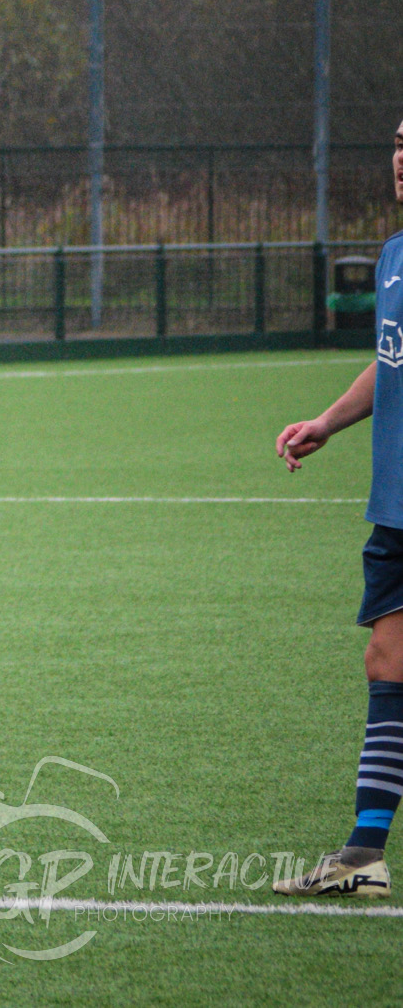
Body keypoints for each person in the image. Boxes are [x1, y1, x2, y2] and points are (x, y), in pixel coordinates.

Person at [269, 113, 403, 899]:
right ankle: (364, 852)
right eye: (396, 143)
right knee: (386, 663)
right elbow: (389, 362)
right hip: (393, 506)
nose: (400, 161)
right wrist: (326, 421)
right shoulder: (392, 256)